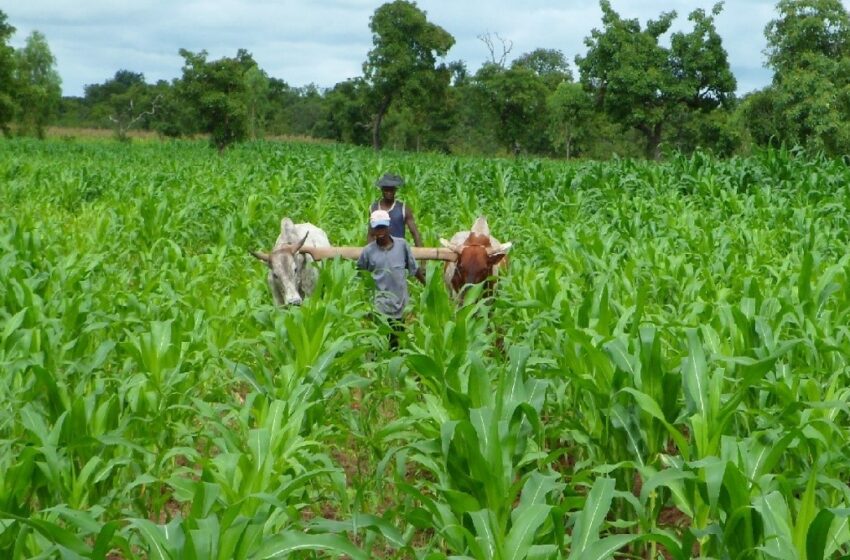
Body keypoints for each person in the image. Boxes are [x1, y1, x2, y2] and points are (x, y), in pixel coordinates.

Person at [357, 209, 425, 349]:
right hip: (380, 308)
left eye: (383, 227)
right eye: (377, 228)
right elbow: (360, 274)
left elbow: (413, 268)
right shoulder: (368, 252)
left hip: (401, 305)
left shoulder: (402, 245)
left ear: (389, 227)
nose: (380, 231)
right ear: (372, 230)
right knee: (381, 346)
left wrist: (428, 285)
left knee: (398, 345)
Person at [366, 173, 424, 247]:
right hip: (379, 250)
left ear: (395, 190)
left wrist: (421, 252)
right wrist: (369, 252)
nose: (389, 193)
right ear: (382, 190)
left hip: (398, 250)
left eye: (391, 190)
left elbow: (414, 232)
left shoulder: (403, 209)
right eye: (386, 190)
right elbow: (371, 234)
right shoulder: (374, 208)